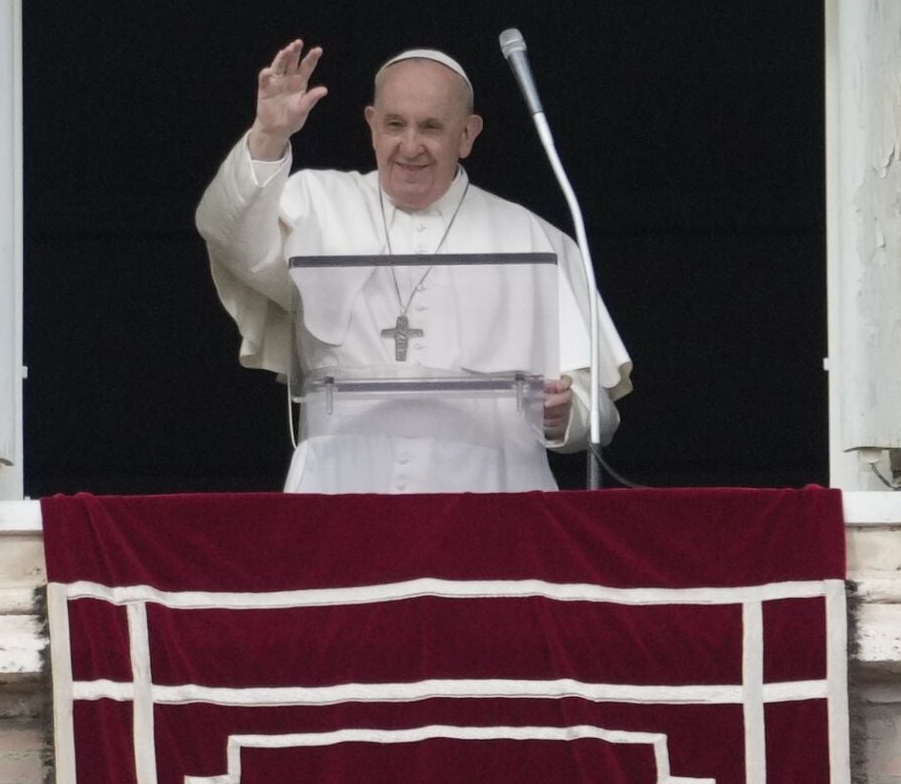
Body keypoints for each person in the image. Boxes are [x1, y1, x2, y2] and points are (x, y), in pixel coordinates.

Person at [196, 40, 631, 493]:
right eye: (394, 124)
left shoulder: (533, 239)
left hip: (491, 499)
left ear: (467, 135)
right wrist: (268, 135)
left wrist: (566, 414)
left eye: (431, 127)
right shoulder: (314, 205)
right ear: (371, 126)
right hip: (339, 490)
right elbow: (228, 236)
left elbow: (597, 413)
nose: (409, 146)